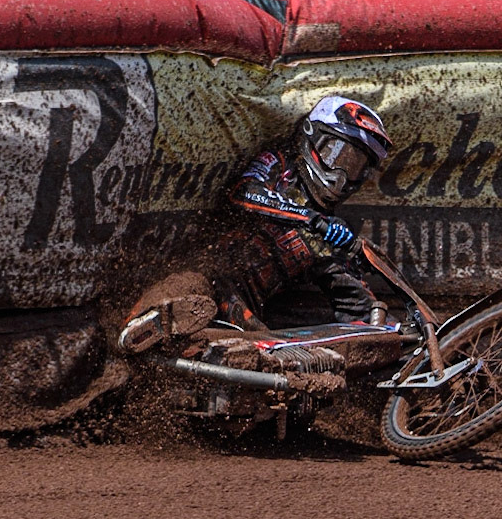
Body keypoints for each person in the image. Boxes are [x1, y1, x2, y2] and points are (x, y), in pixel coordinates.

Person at [119, 95, 392, 352]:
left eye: (356, 167)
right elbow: (245, 191)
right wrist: (310, 220)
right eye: (338, 157)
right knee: (196, 287)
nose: (343, 175)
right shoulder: (280, 164)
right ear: (312, 137)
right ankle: (147, 323)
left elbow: (349, 295)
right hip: (210, 274)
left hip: (249, 309)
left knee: (264, 346)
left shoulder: (330, 238)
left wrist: (379, 328)